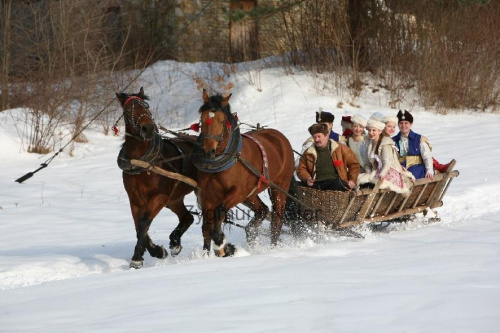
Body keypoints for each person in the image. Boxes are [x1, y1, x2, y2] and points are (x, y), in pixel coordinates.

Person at [358, 117, 415, 195]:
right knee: (362, 179)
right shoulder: (369, 143)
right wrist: (368, 172)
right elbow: (367, 162)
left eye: (374, 130)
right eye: (369, 130)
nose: (371, 133)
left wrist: (382, 174)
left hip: (389, 170)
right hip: (376, 169)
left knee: (378, 182)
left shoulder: (385, 143)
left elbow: (387, 162)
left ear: (380, 131)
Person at [296, 123, 360, 192]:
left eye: (319, 136)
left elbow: (354, 164)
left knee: (336, 184)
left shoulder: (340, 148)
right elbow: (300, 169)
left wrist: (352, 180)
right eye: (314, 137)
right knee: (294, 185)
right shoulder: (308, 152)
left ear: (327, 136)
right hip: (316, 184)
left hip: (336, 183)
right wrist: (307, 178)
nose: (316, 140)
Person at [392, 110, 435, 179]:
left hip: (417, 169)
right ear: (398, 124)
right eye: (401, 123)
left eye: (406, 123)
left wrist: (429, 171)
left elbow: (427, 157)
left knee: (408, 176)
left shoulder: (419, 139)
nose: (403, 125)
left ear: (411, 124)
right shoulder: (393, 141)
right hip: (400, 168)